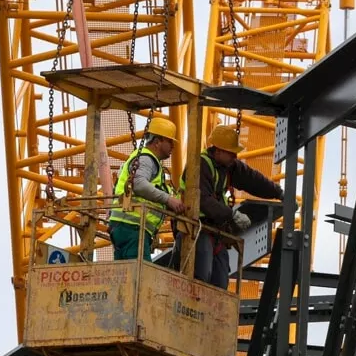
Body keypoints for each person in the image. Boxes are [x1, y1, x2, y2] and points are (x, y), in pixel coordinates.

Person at [178, 124, 284, 289]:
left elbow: (252, 179)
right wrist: (231, 215)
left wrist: (278, 192)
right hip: (195, 227)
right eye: (231, 152)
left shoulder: (228, 166)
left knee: (221, 279)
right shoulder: (199, 166)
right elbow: (203, 200)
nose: (235, 156)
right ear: (218, 150)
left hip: (214, 230)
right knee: (202, 274)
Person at [108, 118, 185, 261]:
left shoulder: (143, 158)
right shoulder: (147, 159)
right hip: (133, 226)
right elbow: (138, 184)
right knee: (141, 277)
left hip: (124, 226)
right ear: (157, 142)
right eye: (169, 141)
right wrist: (169, 200)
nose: (173, 146)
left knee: (125, 276)